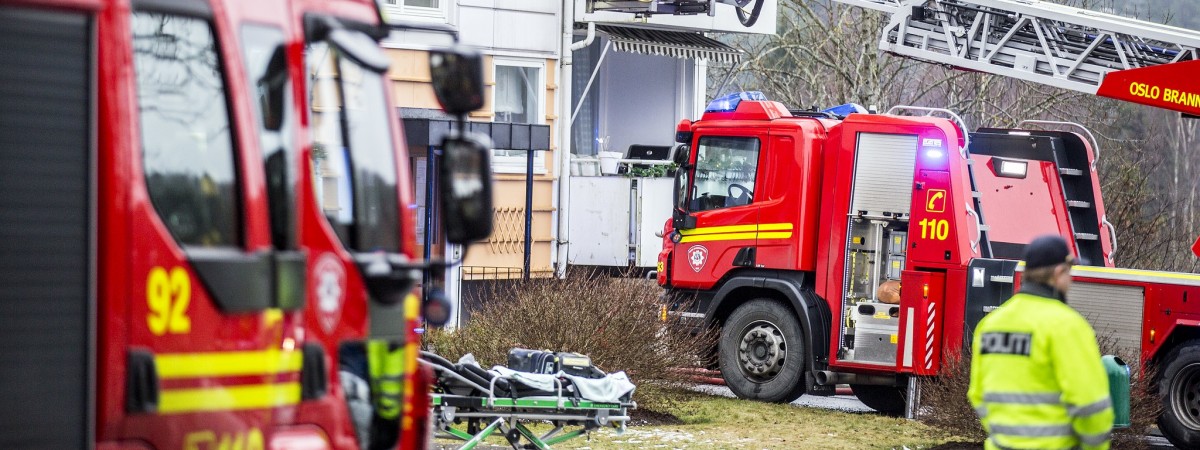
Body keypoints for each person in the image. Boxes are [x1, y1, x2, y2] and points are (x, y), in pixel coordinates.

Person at [968, 235, 1114, 450]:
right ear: (1058, 274)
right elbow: (1090, 405)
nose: (1071, 281)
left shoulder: (990, 325)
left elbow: (977, 394)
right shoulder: (1068, 326)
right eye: (1069, 273)